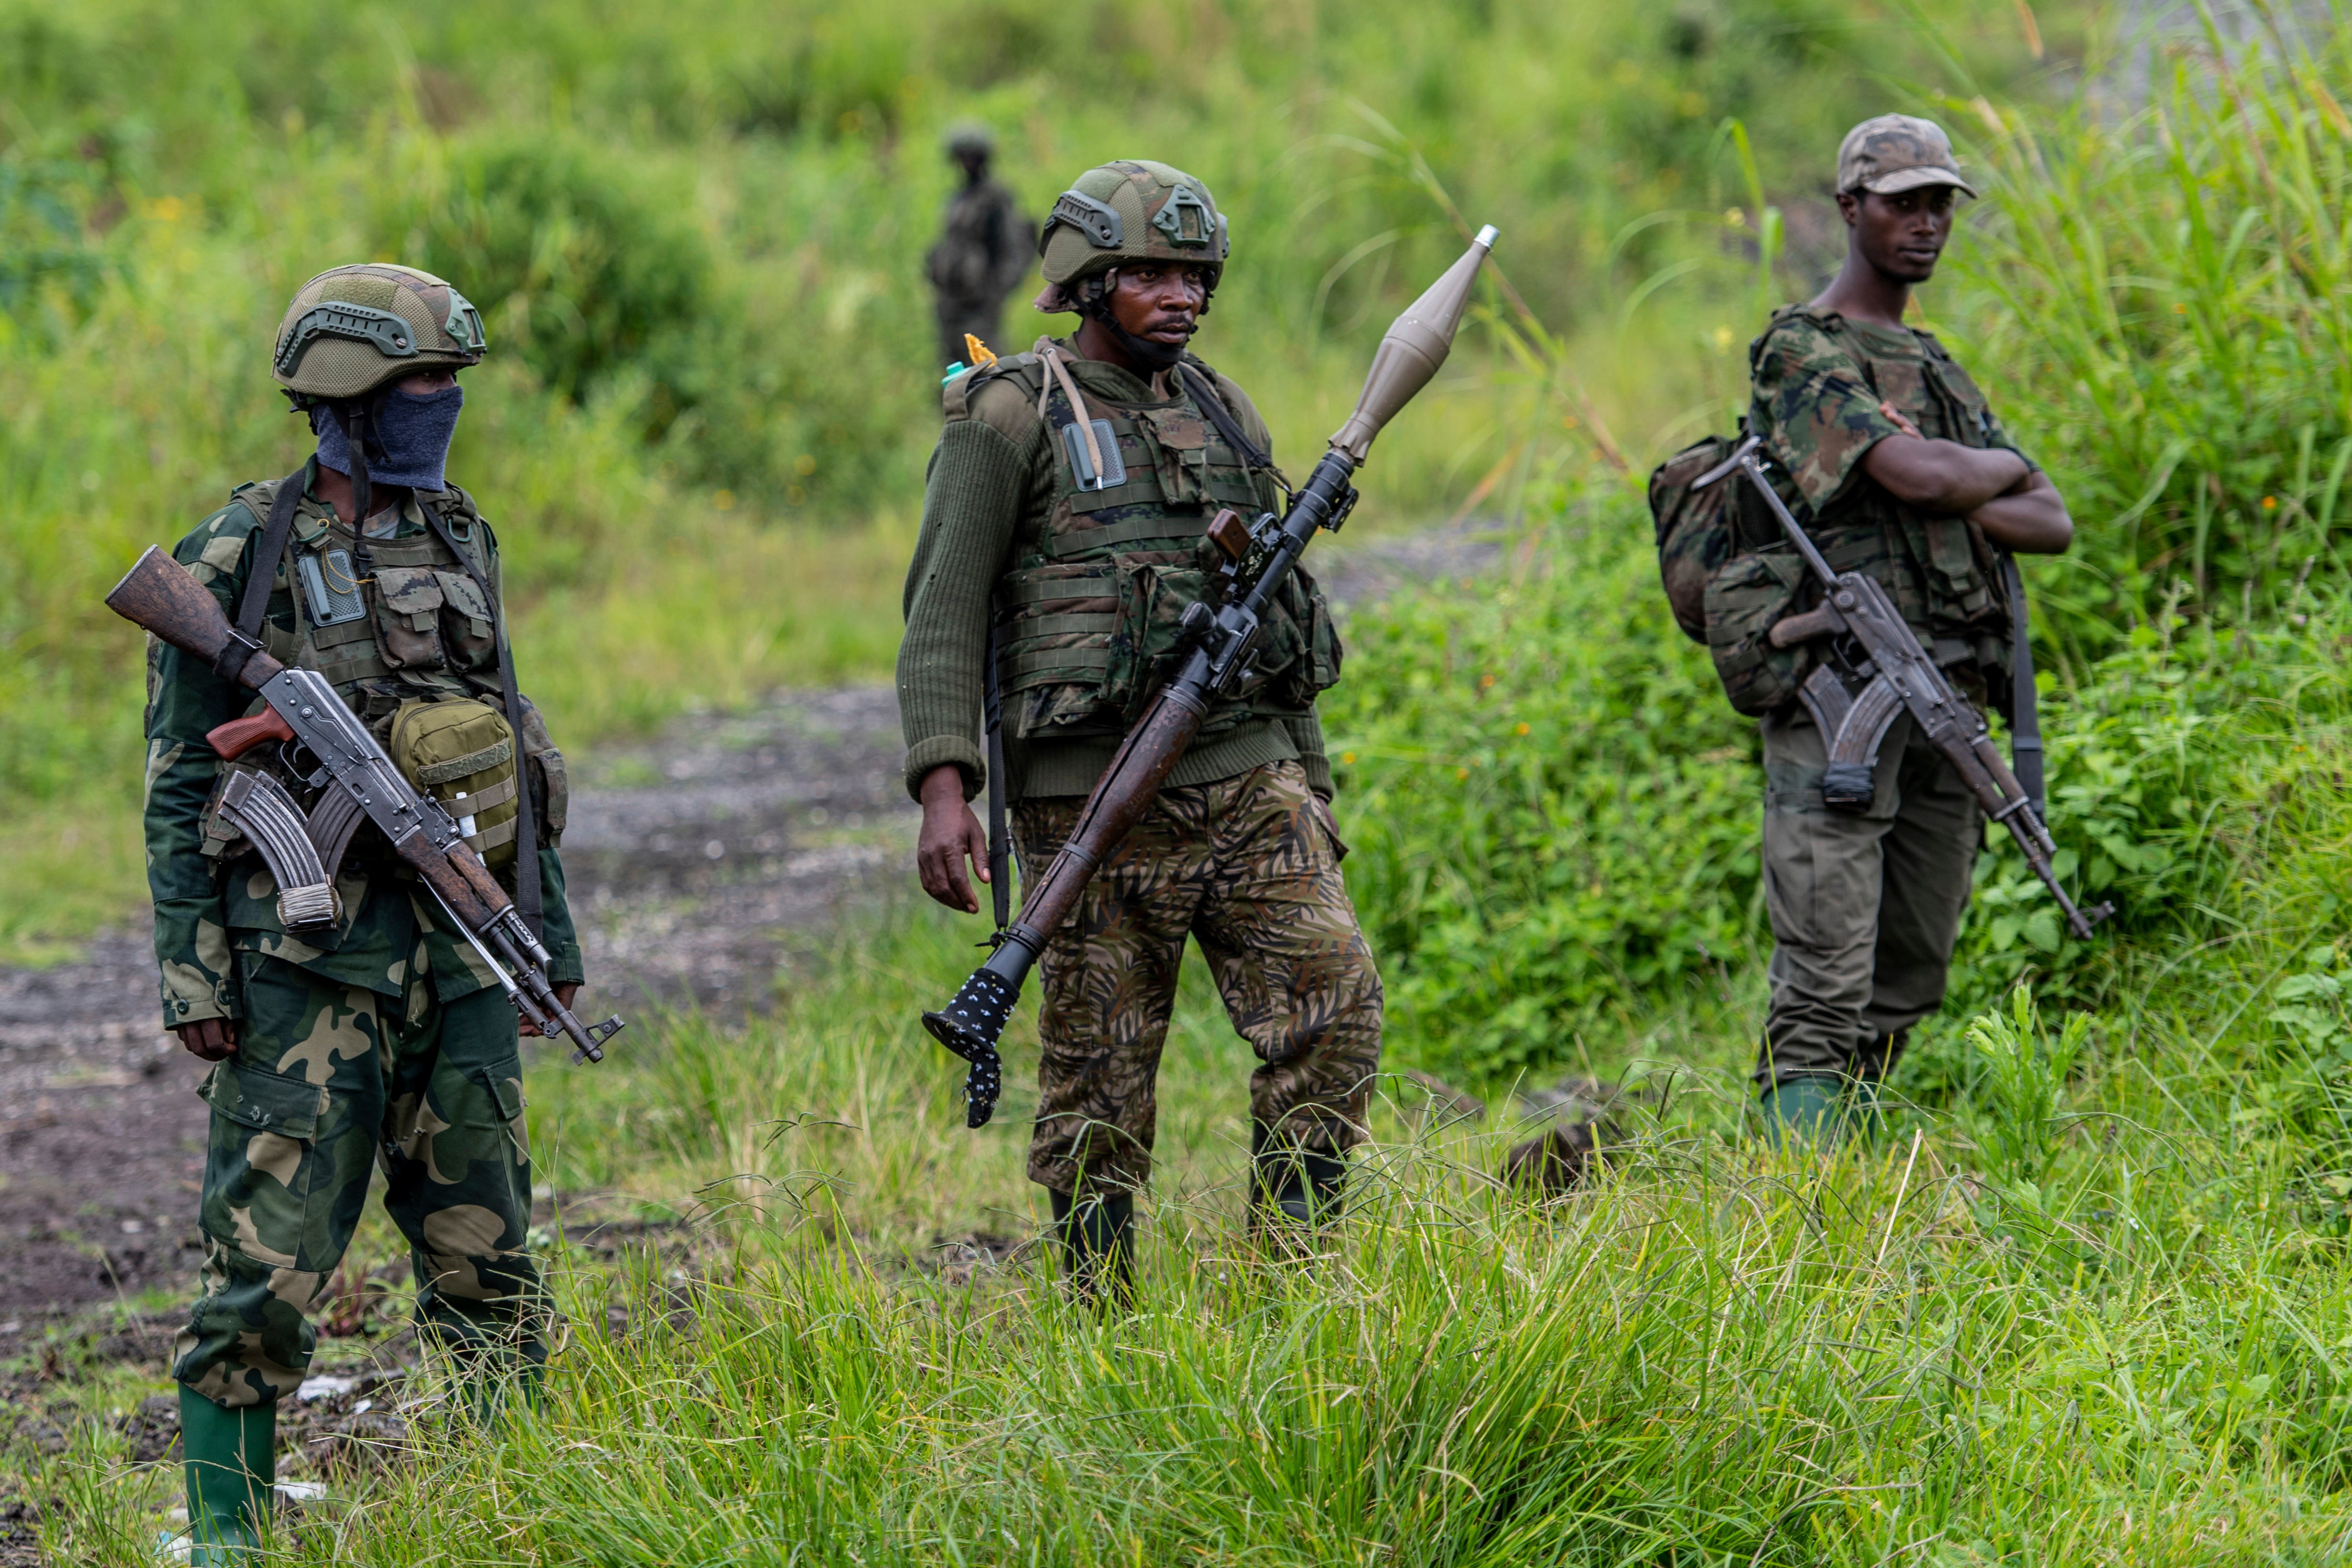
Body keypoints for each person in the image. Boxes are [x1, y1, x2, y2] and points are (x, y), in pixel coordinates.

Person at [145, 263, 584, 1562]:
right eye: (420, 385)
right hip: (306, 973)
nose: (443, 405)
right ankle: (227, 1532)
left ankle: (516, 1494)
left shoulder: (461, 534)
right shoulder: (239, 549)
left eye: (450, 383)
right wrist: (198, 979)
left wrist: (544, 940)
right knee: (267, 1269)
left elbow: (509, 749)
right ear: (346, 393)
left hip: (458, 962)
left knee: (489, 1252)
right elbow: (180, 776)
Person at [896, 161, 1381, 1303]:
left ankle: (1296, 1280)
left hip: (1250, 779)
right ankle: (1101, 1314)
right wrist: (943, 787)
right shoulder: (1010, 415)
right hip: (1088, 801)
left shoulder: (1219, 406)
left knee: (1336, 1003)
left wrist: (1308, 776)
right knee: (1099, 1080)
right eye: (1153, 274)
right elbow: (942, 611)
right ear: (1088, 278)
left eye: (1195, 275)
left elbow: (1270, 607)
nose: (1181, 297)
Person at [1745, 115, 2074, 1142]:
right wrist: (1972, 477)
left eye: (1941, 203)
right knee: (1826, 963)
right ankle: (1791, 1191)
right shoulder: (1802, 351)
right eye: (1904, 202)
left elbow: (2051, 518)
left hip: (1948, 693)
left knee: (1911, 963)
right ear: (1851, 208)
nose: (1927, 223)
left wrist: (1954, 485)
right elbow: (1918, 473)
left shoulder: (1933, 365)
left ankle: (1858, 1162)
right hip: (1841, 685)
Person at [925, 125, 1036, 369]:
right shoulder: (959, 198)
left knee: (985, 368)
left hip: (979, 305)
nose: (967, 164)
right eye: (962, 158)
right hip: (951, 301)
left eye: (972, 158)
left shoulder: (996, 197)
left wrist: (994, 293)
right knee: (953, 370)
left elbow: (1014, 249)